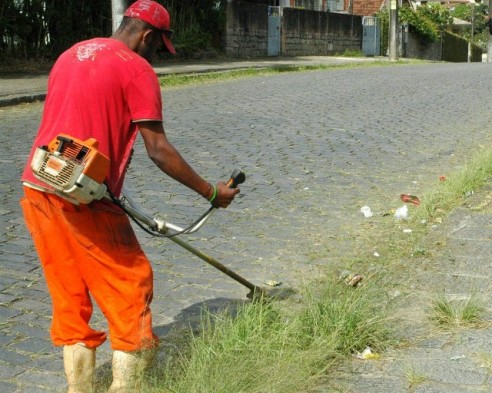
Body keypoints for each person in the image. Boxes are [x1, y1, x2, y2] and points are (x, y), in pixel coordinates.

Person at [19, 1, 239, 392]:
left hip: (39, 184)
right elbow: (159, 149)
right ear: (148, 36)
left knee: (70, 297)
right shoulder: (136, 68)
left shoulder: (72, 53)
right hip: (84, 198)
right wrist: (211, 192)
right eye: (159, 48)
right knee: (130, 285)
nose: (157, 57)